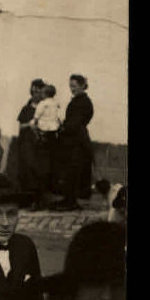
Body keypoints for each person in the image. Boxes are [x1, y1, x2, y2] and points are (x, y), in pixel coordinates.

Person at [51, 74, 94, 211]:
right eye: (71, 86)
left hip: (77, 141)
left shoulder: (83, 102)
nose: (72, 89)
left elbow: (75, 123)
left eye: (74, 86)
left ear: (82, 86)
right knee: (69, 171)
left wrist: (62, 128)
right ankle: (68, 199)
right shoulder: (78, 101)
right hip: (72, 139)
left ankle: (71, 201)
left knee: (73, 171)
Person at [16, 78, 45, 200]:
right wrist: (29, 124)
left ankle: (37, 199)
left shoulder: (45, 108)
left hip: (41, 144)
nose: (36, 95)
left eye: (38, 92)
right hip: (27, 144)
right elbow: (21, 126)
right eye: (34, 92)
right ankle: (25, 198)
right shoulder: (26, 108)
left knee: (38, 171)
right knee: (26, 169)